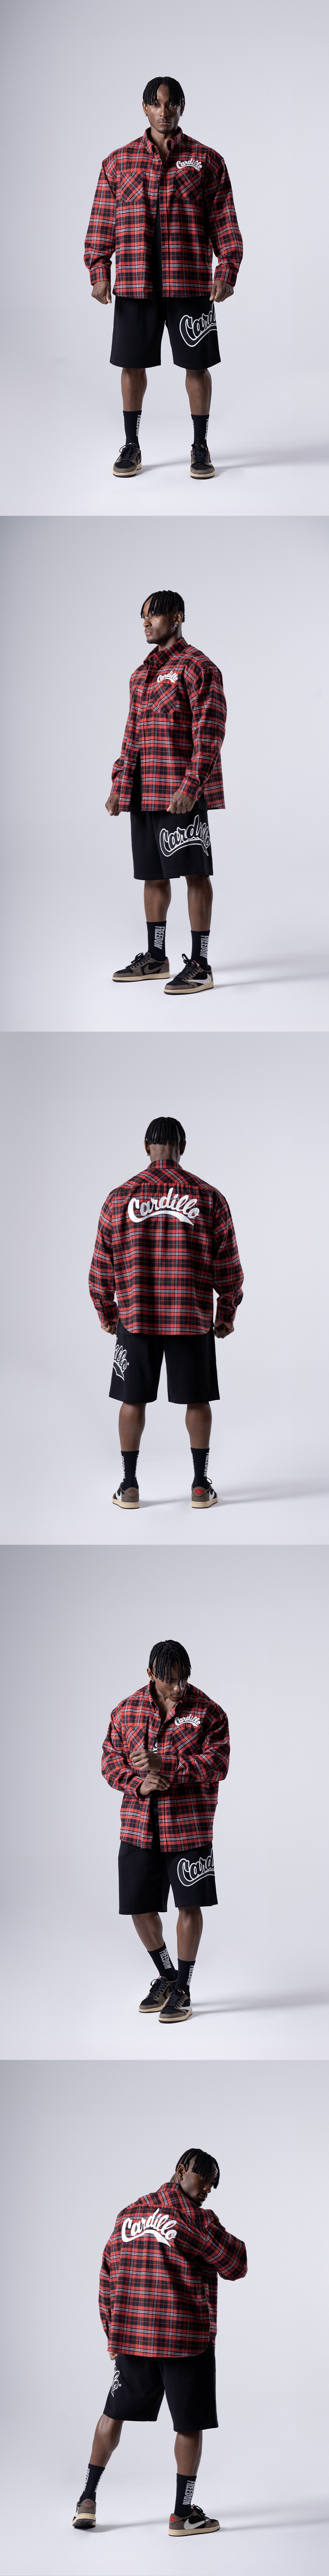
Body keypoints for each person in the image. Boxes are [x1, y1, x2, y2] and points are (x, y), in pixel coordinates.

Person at [73, 2145, 247, 2536]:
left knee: (112, 2415)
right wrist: (206, 2229)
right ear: (182, 2170)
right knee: (189, 2424)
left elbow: (107, 2276)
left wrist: (113, 2333)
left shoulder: (128, 2215)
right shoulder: (197, 2220)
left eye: (213, 2186)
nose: (207, 2190)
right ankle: (182, 2516)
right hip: (185, 2340)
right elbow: (237, 2265)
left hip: (133, 2338)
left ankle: (87, 2500)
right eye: (204, 2180)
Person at [84, 75, 243, 481]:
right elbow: (102, 221)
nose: (164, 111)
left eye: (172, 104)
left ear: (182, 107)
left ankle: (201, 446)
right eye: (156, 104)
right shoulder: (118, 162)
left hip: (189, 281)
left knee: (198, 366)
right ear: (145, 108)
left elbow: (224, 220)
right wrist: (99, 270)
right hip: (136, 282)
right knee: (131, 365)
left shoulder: (207, 161)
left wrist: (227, 269)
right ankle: (131, 445)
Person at [88, 1113, 243, 1511]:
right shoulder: (209, 1196)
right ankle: (199, 1486)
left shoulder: (119, 1198)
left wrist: (107, 1310)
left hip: (135, 1317)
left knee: (132, 1401)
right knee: (198, 1401)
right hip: (190, 1317)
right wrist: (226, 1311)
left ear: (146, 1148)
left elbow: (102, 1263)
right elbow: (228, 1263)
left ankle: (129, 1487)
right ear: (183, 1147)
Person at [101, 1635, 230, 2026]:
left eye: (183, 1678)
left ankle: (184, 1989)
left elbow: (217, 1765)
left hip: (189, 1826)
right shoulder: (125, 1712)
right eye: (170, 1679)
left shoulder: (208, 1712)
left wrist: (165, 1763)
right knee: (138, 1907)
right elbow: (110, 1762)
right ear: (150, 1674)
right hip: (138, 1827)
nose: (178, 1687)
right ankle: (168, 1976)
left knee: (189, 1906)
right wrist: (138, 1785)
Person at [107, 588, 227, 997]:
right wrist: (119, 785)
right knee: (152, 875)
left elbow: (210, 732)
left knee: (195, 873)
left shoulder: (198, 667)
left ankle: (201, 965)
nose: (146, 622)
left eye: (154, 615)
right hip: (145, 792)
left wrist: (192, 786)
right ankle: (156, 958)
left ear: (177, 617)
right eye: (143, 616)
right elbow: (132, 736)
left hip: (181, 793)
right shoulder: (139, 676)